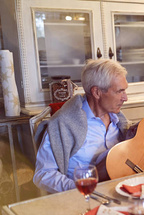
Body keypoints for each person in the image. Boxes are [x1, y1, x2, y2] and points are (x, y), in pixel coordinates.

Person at [33, 59, 130, 193]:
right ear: (96, 92)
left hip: (120, 190)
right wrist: (80, 189)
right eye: (119, 91)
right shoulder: (63, 123)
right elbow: (43, 174)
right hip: (81, 198)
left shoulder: (118, 119)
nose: (125, 98)